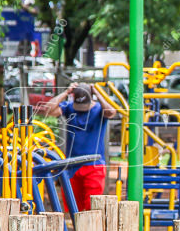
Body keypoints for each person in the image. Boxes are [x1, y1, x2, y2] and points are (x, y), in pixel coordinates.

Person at [35, 81, 118, 211]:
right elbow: (47, 109)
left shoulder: (99, 110)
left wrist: (97, 93)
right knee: (73, 208)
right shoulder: (69, 108)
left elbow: (112, 112)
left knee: (92, 208)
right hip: (72, 166)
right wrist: (66, 92)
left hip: (93, 166)